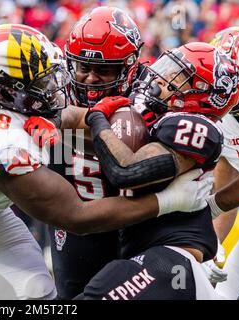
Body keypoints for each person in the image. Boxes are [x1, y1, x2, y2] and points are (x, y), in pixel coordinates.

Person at [0, 24, 212, 300]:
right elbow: (77, 217)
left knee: (37, 295)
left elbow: (64, 116)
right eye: (40, 82)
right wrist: (168, 201)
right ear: (6, 93)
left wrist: (95, 120)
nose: (53, 85)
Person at [78, 42, 239, 299]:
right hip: (149, 254)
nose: (162, 78)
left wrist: (97, 118)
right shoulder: (159, 116)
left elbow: (126, 170)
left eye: (177, 76)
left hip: (169, 259)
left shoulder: (196, 125)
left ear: (204, 95)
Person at [27, 6, 145, 300]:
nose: (91, 78)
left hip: (134, 224)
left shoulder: (148, 94)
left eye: (103, 69)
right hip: (74, 226)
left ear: (128, 67)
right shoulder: (52, 89)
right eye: (83, 67)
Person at [206, 23, 239, 300]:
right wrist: (210, 246)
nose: (232, 91)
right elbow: (226, 187)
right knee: (225, 293)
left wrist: (214, 204)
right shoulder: (224, 120)